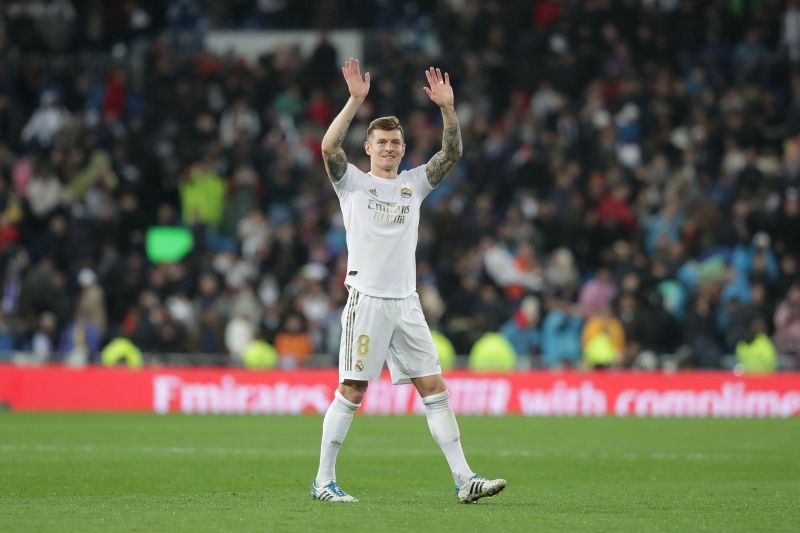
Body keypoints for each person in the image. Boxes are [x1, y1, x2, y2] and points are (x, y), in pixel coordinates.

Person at [311, 58, 506, 504]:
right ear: (368, 148)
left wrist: (448, 110)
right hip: (368, 300)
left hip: (406, 303)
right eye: (381, 142)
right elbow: (326, 148)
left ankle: (464, 479)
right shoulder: (353, 185)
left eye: (396, 142)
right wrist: (355, 100)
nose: (390, 148)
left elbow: (451, 154)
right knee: (353, 389)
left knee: (434, 388)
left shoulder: (413, 185)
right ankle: (324, 481)